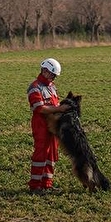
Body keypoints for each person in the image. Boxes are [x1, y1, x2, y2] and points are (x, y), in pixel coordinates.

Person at [27, 57, 69, 194]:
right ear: (44, 71)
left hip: (52, 125)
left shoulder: (51, 87)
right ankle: (35, 186)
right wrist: (59, 109)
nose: (53, 78)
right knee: (41, 155)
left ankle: (47, 184)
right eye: (52, 75)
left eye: (55, 76)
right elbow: (40, 108)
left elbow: (54, 104)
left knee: (51, 155)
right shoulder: (34, 87)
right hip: (41, 125)